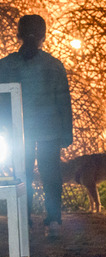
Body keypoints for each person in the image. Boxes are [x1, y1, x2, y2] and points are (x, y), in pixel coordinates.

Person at [0, 15, 72, 237]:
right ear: (44, 37)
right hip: (49, 130)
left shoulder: (5, 65)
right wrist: (66, 133)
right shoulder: (54, 65)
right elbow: (63, 101)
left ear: (18, 35)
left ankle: (24, 221)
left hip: (18, 131)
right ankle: (54, 221)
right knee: (51, 175)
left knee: (23, 176)